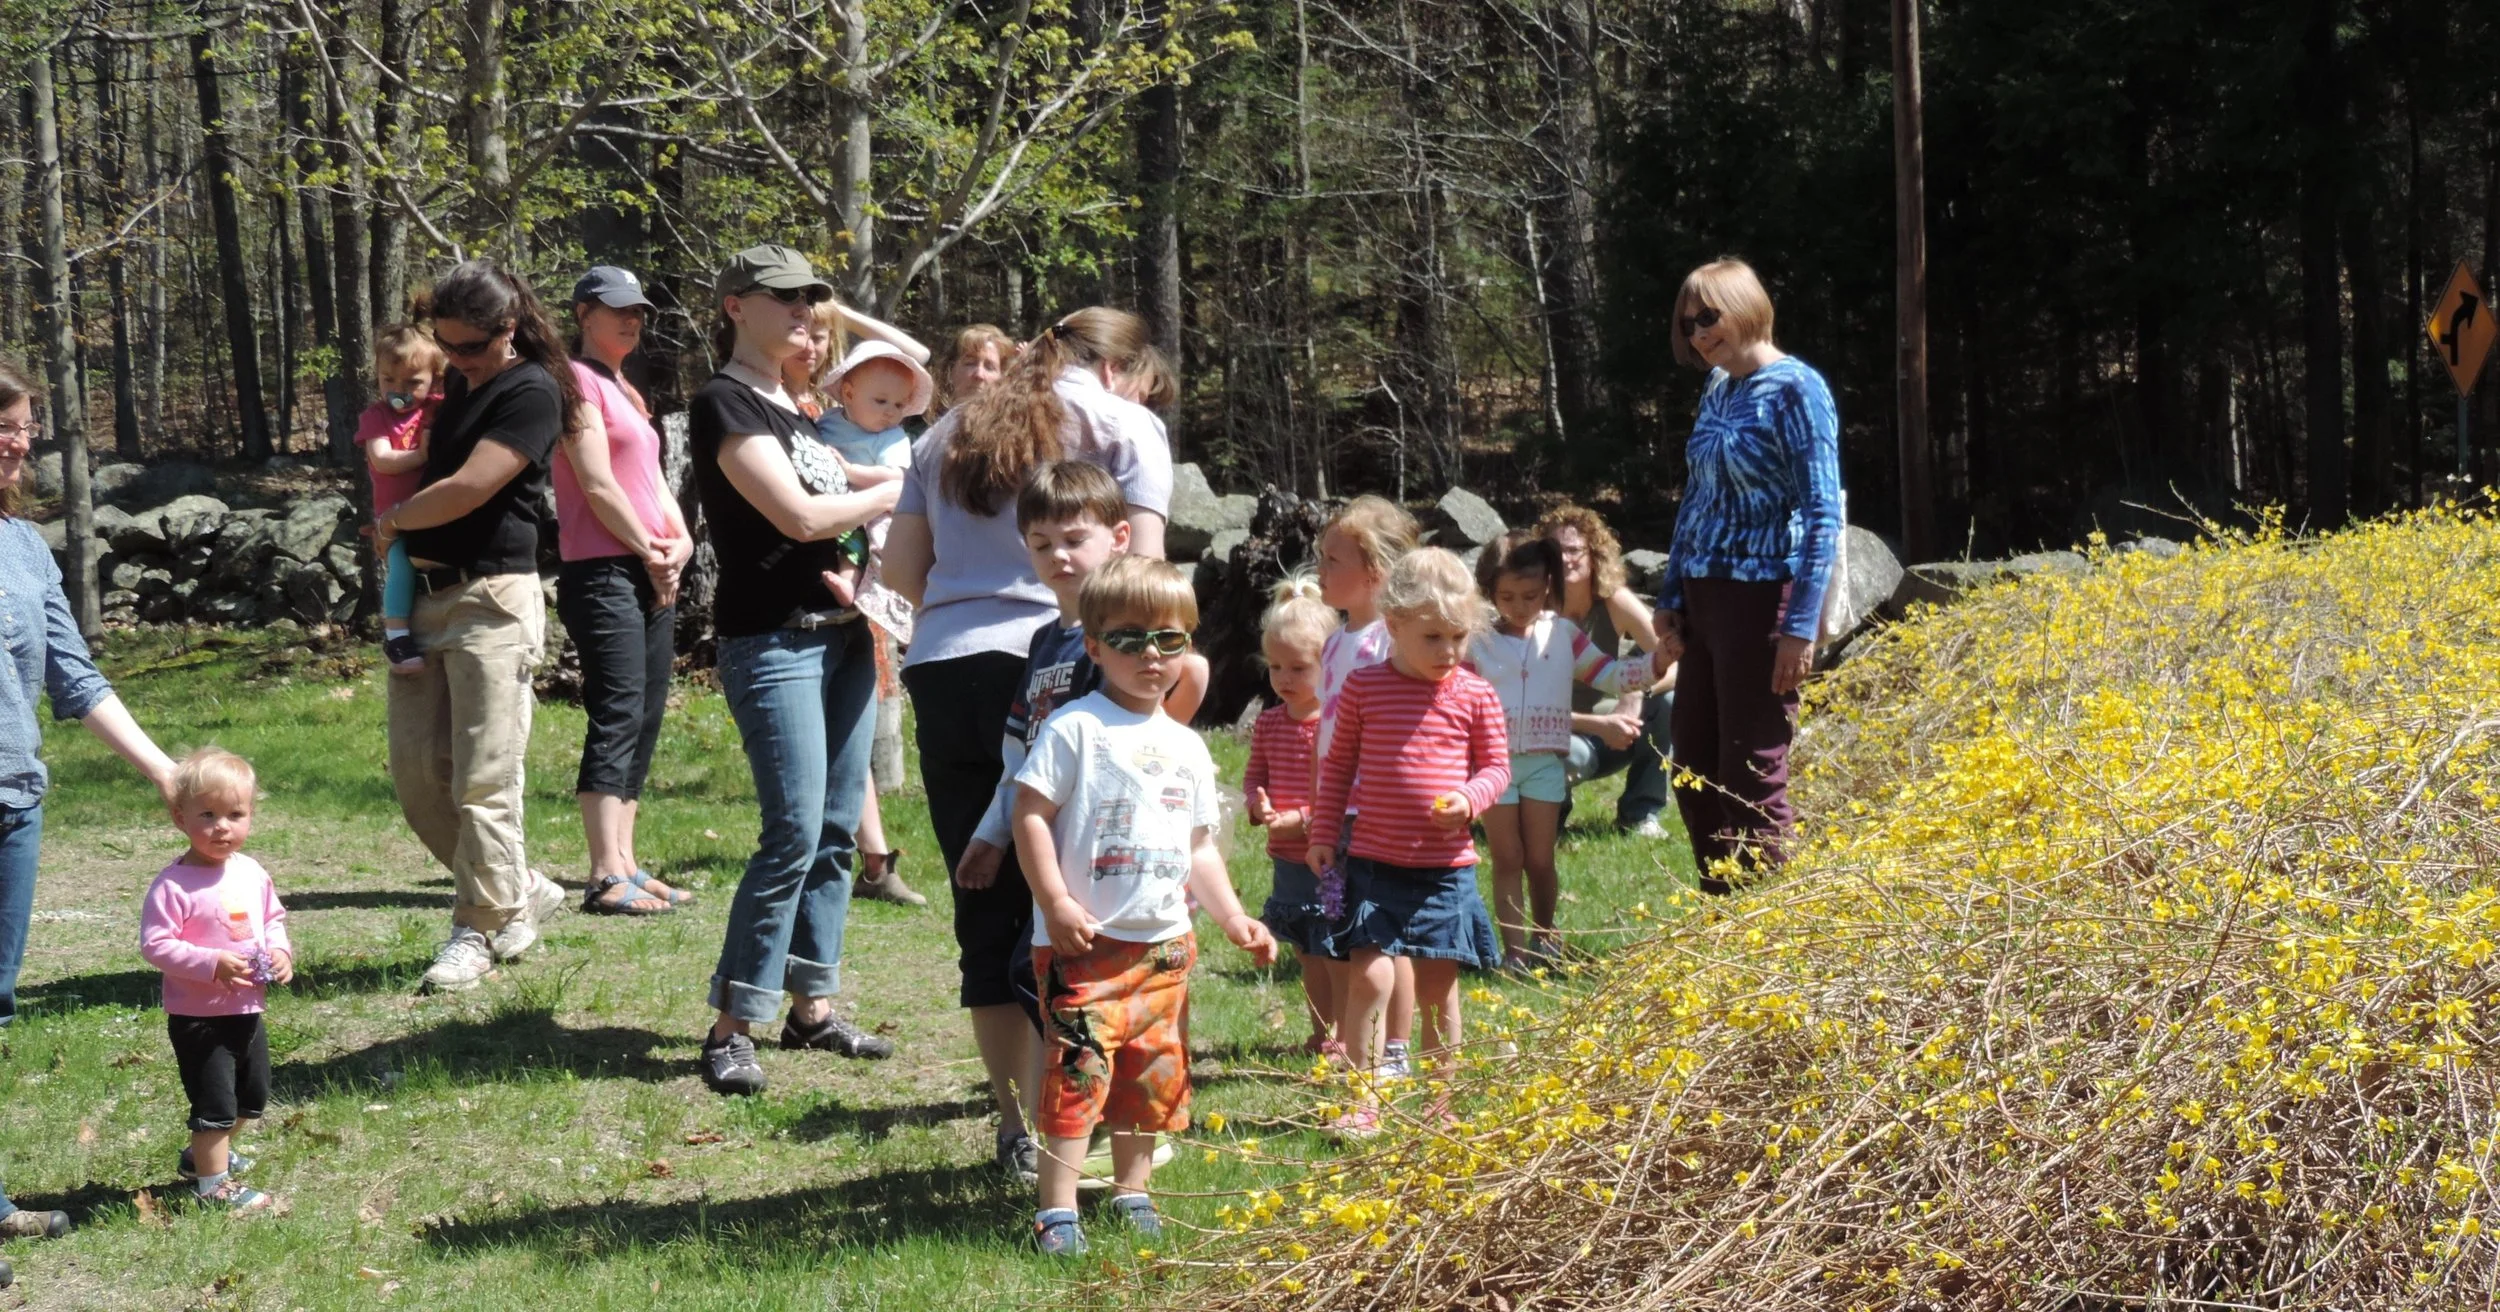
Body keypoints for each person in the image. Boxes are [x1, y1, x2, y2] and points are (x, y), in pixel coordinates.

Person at [881, 308, 1175, 1172]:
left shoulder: (945, 430)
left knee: (986, 912)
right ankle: (1086, 1120)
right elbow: (1142, 580)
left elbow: (899, 573)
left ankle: (1017, 1130)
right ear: (1117, 370)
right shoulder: (1124, 422)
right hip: (1064, 663)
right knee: (1082, 907)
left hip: (946, 668)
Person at [1011, 555, 1275, 1255]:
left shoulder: (1186, 746)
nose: (1150, 655)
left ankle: (1134, 1190)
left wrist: (1233, 917)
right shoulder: (1075, 728)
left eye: (1168, 638)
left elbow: (1200, 847)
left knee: (1152, 1077)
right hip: (1085, 947)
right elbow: (1029, 814)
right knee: (1078, 1074)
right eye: (1129, 638)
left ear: (1188, 645)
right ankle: (1057, 1208)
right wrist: (1055, 900)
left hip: (1164, 948)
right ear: (1095, 646)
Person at [687, 244, 902, 1095]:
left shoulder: (794, 404)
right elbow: (803, 516)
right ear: (735, 306)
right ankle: (731, 1026)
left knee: (839, 830)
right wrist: (894, 492)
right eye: (783, 297)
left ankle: (812, 1008)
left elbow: (861, 454)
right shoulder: (725, 402)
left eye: (810, 298)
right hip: (773, 641)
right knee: (793, 832)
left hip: (843, 637)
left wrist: (911, 474)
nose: (802, 311)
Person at [0, 360, 182, 1242]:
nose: (19, 442)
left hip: (12, 804)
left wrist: (166, 773)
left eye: (24, 426)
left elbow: (73, 677)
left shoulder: (24, 547)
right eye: (3, 425)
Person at [377, 260, 573, 993]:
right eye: (448, 347)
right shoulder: (460, 381)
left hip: (492, 601)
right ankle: (519, 887)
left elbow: (468, 489)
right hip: (424, 598)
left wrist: (394, 520)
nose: (457, 361)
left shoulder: (532, 390)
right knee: (418, 778)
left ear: (508, 329)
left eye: (471, 348)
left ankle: (479, 927)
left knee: (484, 779)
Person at [1648, 258, 1842, 893]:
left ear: (1745, 306)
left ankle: (1776, 927)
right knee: (1693, 769)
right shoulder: (1717, 387)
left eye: (1709, 316)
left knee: (1751, 774)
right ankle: (1724, 915)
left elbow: (1823, 513)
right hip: (1703, 597)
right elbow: (1696, 500)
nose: (1700, 333)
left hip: (1762, 602)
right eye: (1689, 323)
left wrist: (1799, 627)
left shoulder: (1797, 388)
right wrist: (1670, 594)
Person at [1307, 548, 1508, 1140]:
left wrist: (1470, 798)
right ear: (1394, 626)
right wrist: (1323, 834)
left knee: (1438, 991)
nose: (1448, 651)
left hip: (1444, 870)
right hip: (1375, 863)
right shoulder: (1366, 687)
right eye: (1433, 637)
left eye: (1458, 637)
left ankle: (1438, 1103)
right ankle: (1364, 1100)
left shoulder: (1475, 694)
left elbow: (1497, 768)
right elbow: (1338, 766)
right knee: (1370, 977)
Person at [560, 266, 696, 916]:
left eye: (638, 310)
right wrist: (650, 550)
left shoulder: (628, 390)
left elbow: (652, 480)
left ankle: (628, 863)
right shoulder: (573, 381)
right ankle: (602, 874)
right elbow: (595, 482)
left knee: (645, 713)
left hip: (649, 566)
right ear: (584, 314)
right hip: (603, 569)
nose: (632, 319)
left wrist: (682, 542)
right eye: (617, 309)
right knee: (616, 712)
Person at [789, 302, 933, 909]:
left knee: (853, 720)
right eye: (804, 333)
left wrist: (842, 310)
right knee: (834, 726)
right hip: (815, 575)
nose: (813, 345)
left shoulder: (877, 421)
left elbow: (916, 358)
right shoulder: (797, 412)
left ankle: (871, 858)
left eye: (824, 336)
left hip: (863, 562)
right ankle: (864, 857)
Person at [1467, 533, 1648, 967]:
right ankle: (1514, 953)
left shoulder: (1563, 635)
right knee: (1507, 858)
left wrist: (1654, 665)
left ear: (1548, 585)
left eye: (1530, 595)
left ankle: (1545, 936)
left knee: (1540, 858)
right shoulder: (1476, 642)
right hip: (1493, 767)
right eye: (1507, 597)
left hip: (1546, 763)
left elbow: (1609, 675)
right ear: (1490, 592)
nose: (1519, 606)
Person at [139, 748, 292, 1214]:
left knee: (252, 1097)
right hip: (199, 1017)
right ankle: (213, 1188)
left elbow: (272, 918)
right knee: (215, 1106)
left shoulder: (251, 872)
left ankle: (201, 1158)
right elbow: (156, 945)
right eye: (207, 815)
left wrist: (281, 951)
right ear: (180, 818)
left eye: (235, 815)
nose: (222, 827)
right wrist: (211, 962)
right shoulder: (174, 885)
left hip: (246, 1009)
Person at [1311, 494, 1419, 1078]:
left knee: (1385, 932)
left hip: (1376, 807)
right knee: (1355, 929)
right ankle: (1369, 1041)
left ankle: (1395, 1046)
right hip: (1339, 807)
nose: (1320, 569)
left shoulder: (1389, 643)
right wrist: (1317, 804)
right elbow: (1325, 731)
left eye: (1333, 560)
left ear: (1375, 572)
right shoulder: (1335, 641)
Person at [1243, 577, 1340, 1058]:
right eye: (1275, 667)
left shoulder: (1336, 723)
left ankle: (1347, 1032)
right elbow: (1254, 777)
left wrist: (1302, 818)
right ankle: (1322, 1030)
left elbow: (1344, 792)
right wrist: (1257, 805)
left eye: (1299, 668)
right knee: (1307, 953)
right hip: (1287, 859)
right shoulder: (1269, 723)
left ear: (1329, 665)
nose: (1284, 678)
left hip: (1329, 857)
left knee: (1336, 949)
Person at [1536, 504, 1672, 836]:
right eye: (1554, 550)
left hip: (1611, 731)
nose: (1564, 558)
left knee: (1668, 702)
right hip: (1549, 731)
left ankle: (1640, 814)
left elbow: (1674, 658)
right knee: (1565, 759)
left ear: (1594, 554)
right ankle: (1550, 815)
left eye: (1573, 550)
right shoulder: (1531, 605)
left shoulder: (1614, 601)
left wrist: (1638, 692)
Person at [361, 325, 446, 676]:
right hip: (395, 515)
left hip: (433, 508)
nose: (399, 391)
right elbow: (382, 459)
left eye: (413, 382)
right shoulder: (376, 417)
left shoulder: (436, 410)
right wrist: (421, 455)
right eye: (388, 380)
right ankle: (396, 636)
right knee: (402, 562)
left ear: (434, 380)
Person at [934, 324, 1013, 416]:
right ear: (950, 370)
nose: (979, 374)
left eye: (989, 367)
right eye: (970, 363)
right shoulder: (925, 423)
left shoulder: (1014, 425)